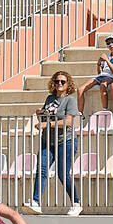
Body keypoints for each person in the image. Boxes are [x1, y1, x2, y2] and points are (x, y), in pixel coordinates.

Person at [22, 71, 82, 216]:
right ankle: (35, 202)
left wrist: (46, 124)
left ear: (68, 84)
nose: (59, 84)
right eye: (57, 81)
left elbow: (69, 121)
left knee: (63, 174)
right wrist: (41, 114)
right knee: (41, 169)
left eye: (62, 82)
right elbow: (46, 118)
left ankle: (76, 202)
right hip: (47, 140)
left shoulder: (70, 100)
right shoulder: (50, 99)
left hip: (65, 141)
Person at [78, 34, 113, 113]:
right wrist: (99, 63)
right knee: (80, 89)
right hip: (102, 76)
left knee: (103, 85)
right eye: (108, 43)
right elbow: (100, 73)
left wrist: (107, 60)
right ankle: (79, 114)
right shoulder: (107, 56)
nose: (111, 45)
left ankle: (105, 110)